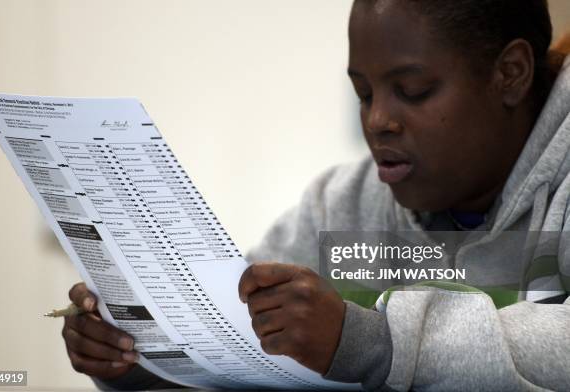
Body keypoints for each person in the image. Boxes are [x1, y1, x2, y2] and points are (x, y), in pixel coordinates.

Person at [62, 0, 570, 390]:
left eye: (412, 90)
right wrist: (140, 355)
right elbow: (237, 333)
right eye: (364, 94)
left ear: (511, 74)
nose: (378, 121)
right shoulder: (339, 204)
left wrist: (374, 343)